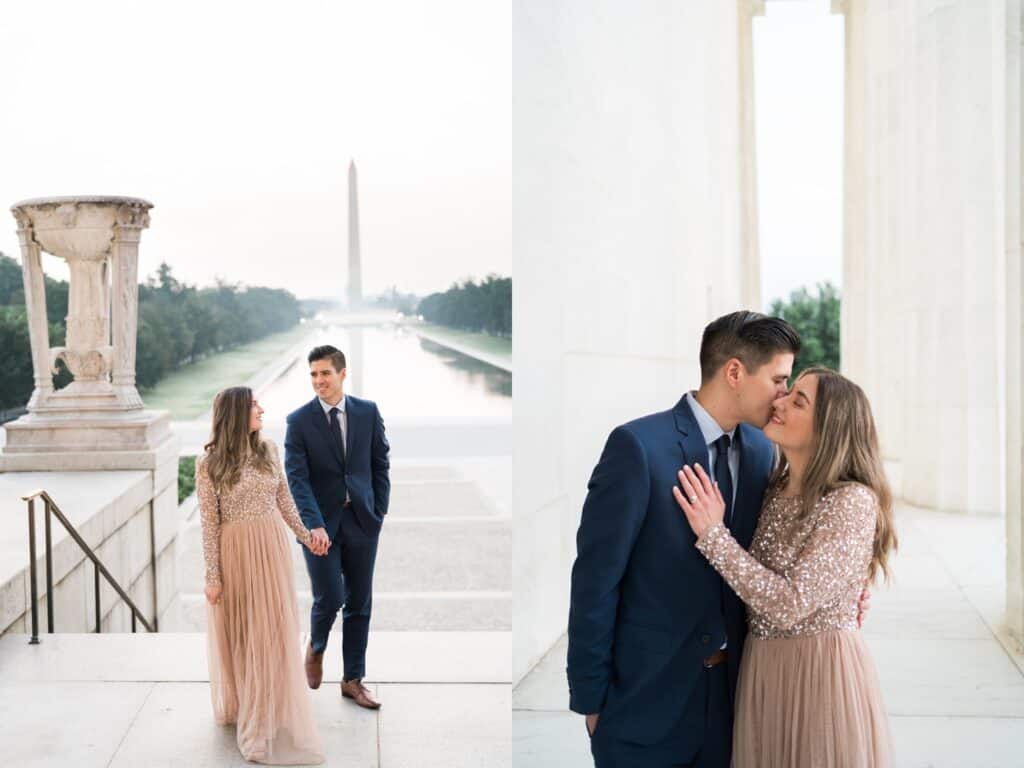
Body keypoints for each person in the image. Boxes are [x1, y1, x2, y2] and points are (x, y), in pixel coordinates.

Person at [568, 311, 804, 767]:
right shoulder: (638, 447)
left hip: (733, 707)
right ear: (735, 372)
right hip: (642, 704)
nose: (784, 394)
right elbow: (596, 581)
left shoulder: (763, 451)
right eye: (779, 378)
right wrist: (592, 701)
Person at [675, 367, 896, 767]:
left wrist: (713, 535)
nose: (779, 402)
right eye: (787, 393)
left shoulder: (851, 501)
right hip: (763, 671)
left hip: (819, 678)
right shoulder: (774, 488)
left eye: (798, 401)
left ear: (829, 428)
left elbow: (788, 602)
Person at [197, 386, 325, 765]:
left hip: (271, 549)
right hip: (236, 552)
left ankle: (269, 708)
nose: (262, 410)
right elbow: (208, 522)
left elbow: (284, 499)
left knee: (271, 631)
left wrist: (307, 537)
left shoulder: (267, 450)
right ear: (237, 413)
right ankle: (251, 710)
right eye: (255, 406)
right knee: (245, 632)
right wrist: (213, 575)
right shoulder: (209, 463)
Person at [285, 344, 391, 710]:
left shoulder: (367, 412)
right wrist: (312, 525)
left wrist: (379, 512)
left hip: (362, 521)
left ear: (342, 373)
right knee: (329, 597)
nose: (318, 381)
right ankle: (315, 647)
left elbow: (380, 464)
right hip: (319, 528)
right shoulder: (298, 421)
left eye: (325, 373)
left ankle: (353, 680)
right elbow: (296, 480)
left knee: (359, 602)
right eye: (313, 374)